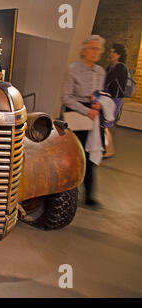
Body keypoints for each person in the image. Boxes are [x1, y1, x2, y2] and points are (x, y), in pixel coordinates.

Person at [62, 35, 106, 206]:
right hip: (76, 114)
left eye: (98, 49)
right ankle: (68, 192)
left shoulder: (100, 71)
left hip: (92, 116)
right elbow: (66, 97)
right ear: (84, 50)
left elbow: (99, 93)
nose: (95, 52)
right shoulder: (73, 69)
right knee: (74, 155)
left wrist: (98, 104)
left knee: (90, 154)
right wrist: (86, 110)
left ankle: (89, 194)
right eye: (92, 48)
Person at [103, 43, 128, 158]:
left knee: (105, 125)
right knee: (104, 125)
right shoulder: (111, 66)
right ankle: (106, 149)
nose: (111, 54)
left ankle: (109, 150)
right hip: (108, 98)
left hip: (114, 100)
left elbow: (106, 79)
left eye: (114, 52)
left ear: (119, 55)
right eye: (111, 51)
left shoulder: (120, 67)